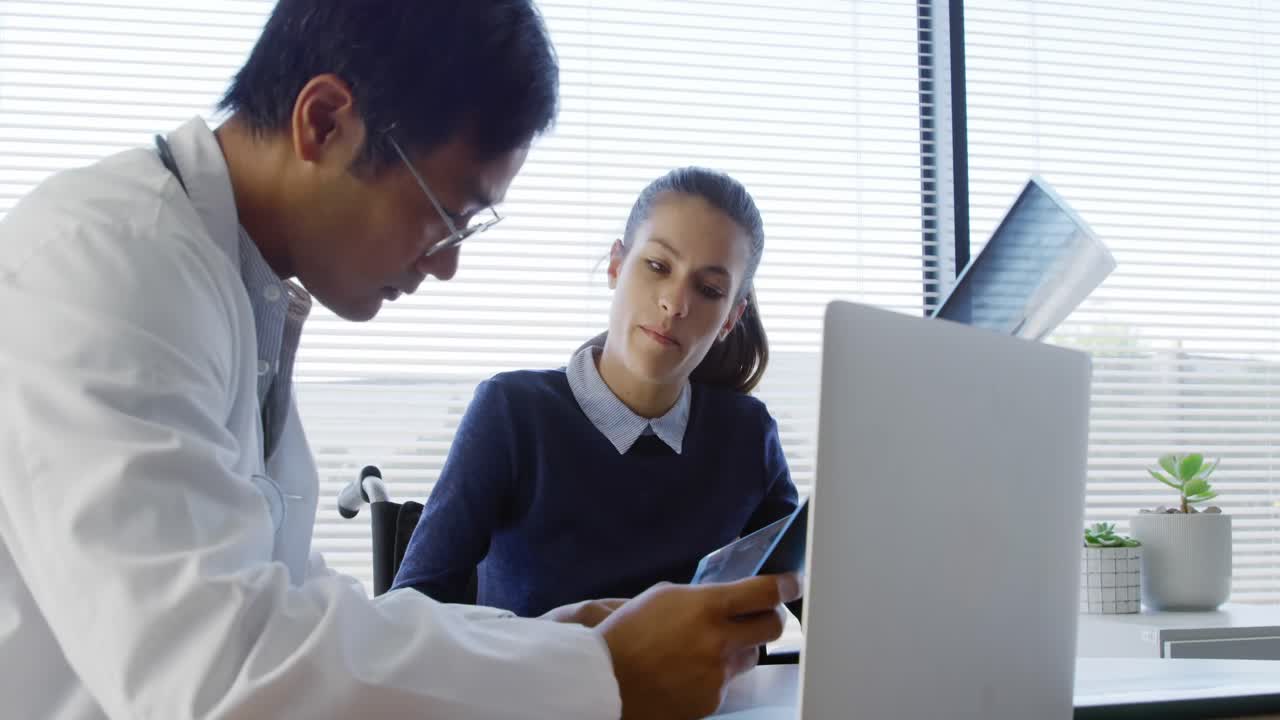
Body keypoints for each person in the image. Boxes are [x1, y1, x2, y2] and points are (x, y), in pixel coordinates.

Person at [0, 2, 800, 719]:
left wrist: (536, 648)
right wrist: (597, 675)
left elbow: (300, 608)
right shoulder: (109, 266)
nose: (446, 263)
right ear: (323, 122)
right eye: (447, 214)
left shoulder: (230, 285)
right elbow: (224, 673)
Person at [392, 167, 801, 620]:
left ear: (730, 318)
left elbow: (823, 605)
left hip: (705, 693)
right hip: (536, 689)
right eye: (658, 266)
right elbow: (409, 614)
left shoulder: (747, 435)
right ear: (616, 266)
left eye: (708, 290)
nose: (675, 303)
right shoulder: (513, 412)